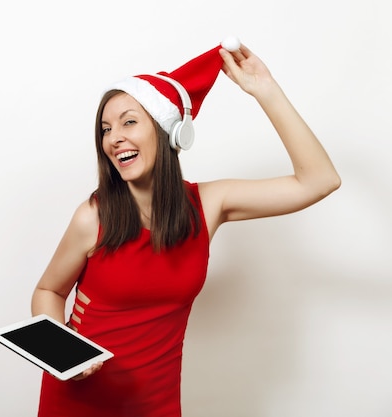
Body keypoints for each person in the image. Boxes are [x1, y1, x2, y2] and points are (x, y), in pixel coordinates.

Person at [31, 37, 341, 417]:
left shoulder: (209, 205)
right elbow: (49, 289)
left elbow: (319, 180)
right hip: (79, 399)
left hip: (155, 405)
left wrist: (266, 91)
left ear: (169, 132)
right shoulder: (93, 216)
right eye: (105, 129)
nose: (114, 138)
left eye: (129, 122)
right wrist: (60, 353)